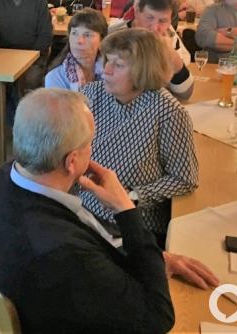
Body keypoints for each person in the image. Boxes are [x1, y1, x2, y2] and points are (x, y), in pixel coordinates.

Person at [0, 88, 218, 332]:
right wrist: (125, 208)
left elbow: (89, 242)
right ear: (71, 161)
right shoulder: (62, 254)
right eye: (89, 143)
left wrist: (152, 260)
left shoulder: (0, 180)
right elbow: (158, 318)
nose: (92, 149)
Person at [79, 29, 199, 245]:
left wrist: (130, 197)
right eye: (107, 60)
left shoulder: (169, 113)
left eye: (118, 64)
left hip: (135, 226)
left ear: (144, 70)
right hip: (85, 213)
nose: (106, 70)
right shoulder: (91, 94)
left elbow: (185, 179)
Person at [132, 0, 195, 100]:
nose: (155, 27)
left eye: (162, 21)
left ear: (171, 20)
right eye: (149, 18)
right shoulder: (117, 36)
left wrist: (170, 53)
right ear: (137, 12)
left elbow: (186, 93)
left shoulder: (169, 36)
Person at [45, 8, 108, 91]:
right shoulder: (55, 77)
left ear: (102, 41)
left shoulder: (111, 72)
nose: (79, 41)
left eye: (87, 35)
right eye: (74, 33)